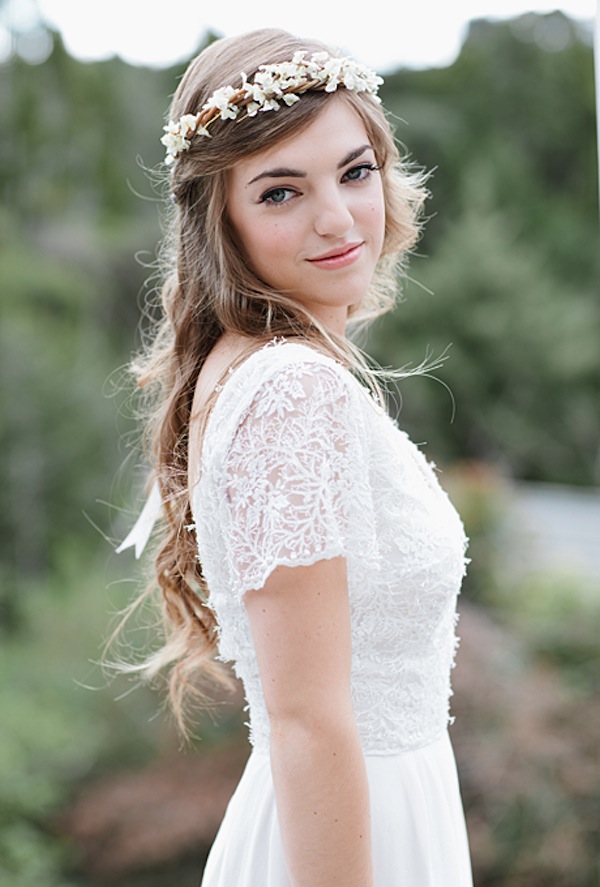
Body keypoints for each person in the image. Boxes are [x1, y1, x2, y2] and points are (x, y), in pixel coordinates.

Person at [117, 27, 473, 887]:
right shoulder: (287, 392)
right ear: (222, 219)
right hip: (347, 838)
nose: (337, 217)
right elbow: (309, 718)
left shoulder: (254, 365)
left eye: (354, 172)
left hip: (374, 810)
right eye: (281, 192)